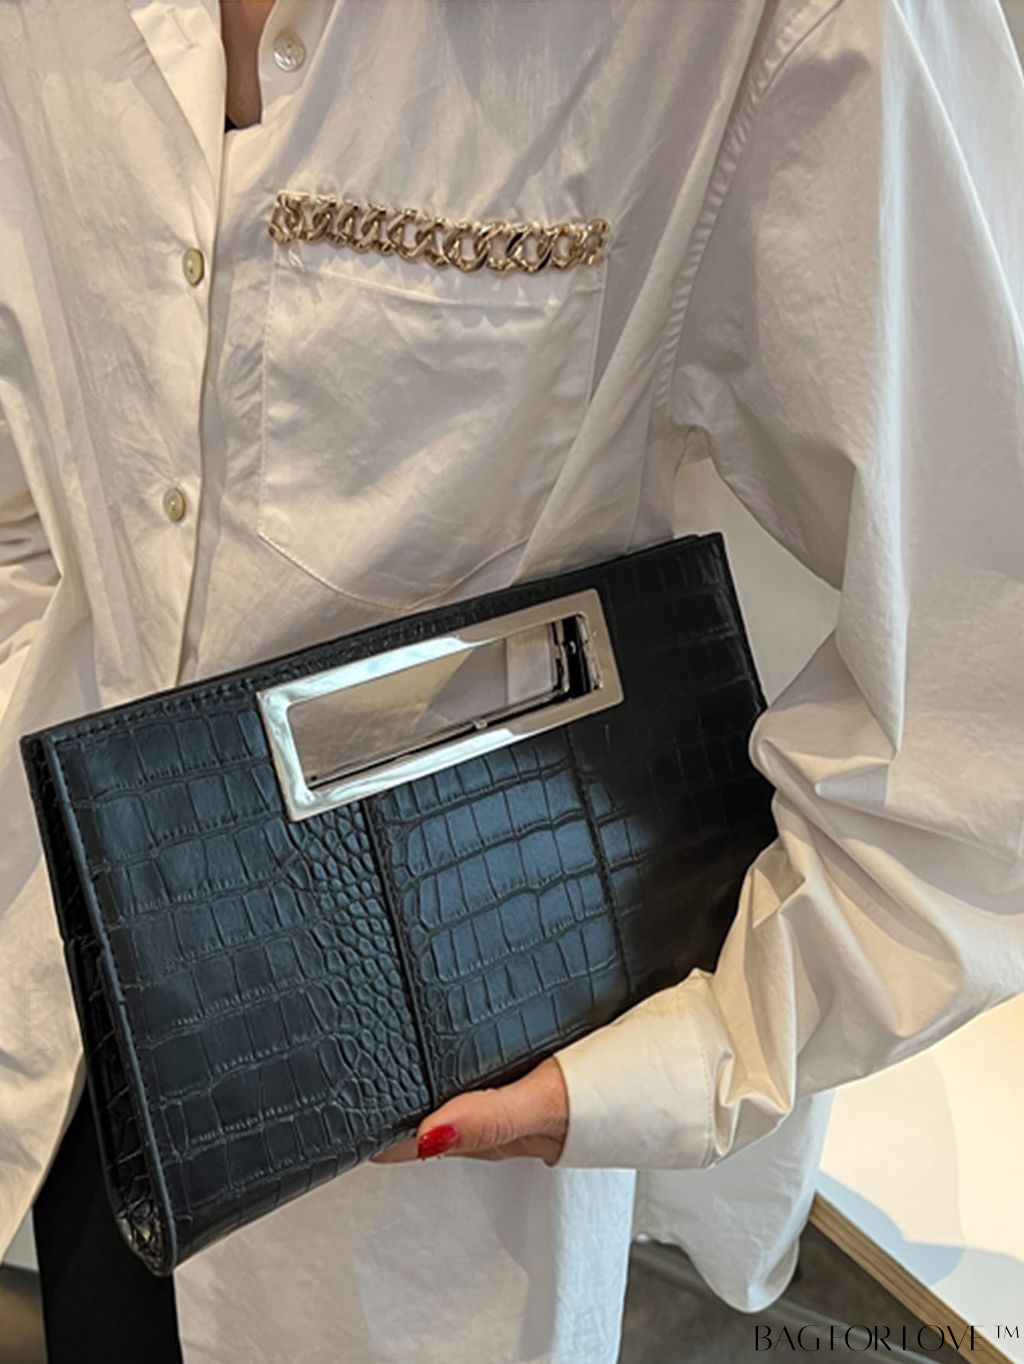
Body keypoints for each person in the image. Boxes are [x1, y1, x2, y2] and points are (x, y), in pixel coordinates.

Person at [2, 0, 1023, 1360]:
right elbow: (43, 455)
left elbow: (983, 674)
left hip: (424, 1138)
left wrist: (711, 1043)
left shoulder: (765, 29)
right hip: (66, 1027)